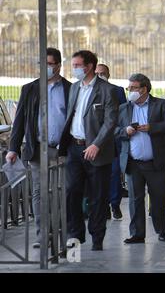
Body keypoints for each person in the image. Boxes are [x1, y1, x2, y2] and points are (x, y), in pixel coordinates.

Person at [6, 48, 71, 249]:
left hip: (62, 149)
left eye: (50, 64)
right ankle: (42, 235)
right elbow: (19, 122)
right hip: (37, 149)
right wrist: (13, 148)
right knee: (39, 192)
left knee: (62, 192)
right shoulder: (30, 89)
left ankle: (63, 233)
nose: (46, 68)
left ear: (59, 65)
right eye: (43, 64)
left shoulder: (70, 89)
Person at [58, 50, 118, 251]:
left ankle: (97, 236)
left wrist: (96, 144)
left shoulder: (107, 90)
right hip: (74, 148)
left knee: (98, 196)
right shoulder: (74, 88)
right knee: (71, 191)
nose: (74, 69)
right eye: (73, 65)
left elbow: (110, 122)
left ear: (90, 66)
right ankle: (75, 234)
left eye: (77, 65)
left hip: (97, 151)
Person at [116, 74, 165, 243]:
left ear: (144, 89)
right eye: (129, 88)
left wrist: (152, 127)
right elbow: (114, 130)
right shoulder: (124, 108)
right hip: (133, 163)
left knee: (159, 197)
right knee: (135, 200)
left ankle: (161, 230)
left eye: (133, 88)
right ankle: (137, 233)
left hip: (155, 162)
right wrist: (125, 131)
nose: (130, 91)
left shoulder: (161, 104)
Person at [94, 63, 127, 220]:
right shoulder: (89, 92)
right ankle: (103, 205)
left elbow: (123, 113)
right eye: (98, 73)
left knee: (114, 173)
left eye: (103, 73)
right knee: (98, 175)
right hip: (94, 139)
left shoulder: (117, 90)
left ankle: (115, 204)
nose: (100, 76)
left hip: (113, 139)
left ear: (108, 74)